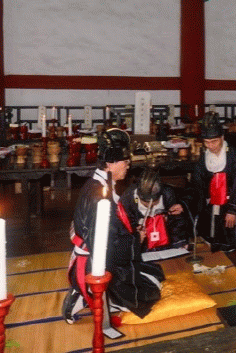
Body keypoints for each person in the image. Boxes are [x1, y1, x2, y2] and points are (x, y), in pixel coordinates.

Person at [62, 128, 165, 329]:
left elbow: (114, 228)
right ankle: (85, 295)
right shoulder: (99, 196)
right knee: (150, 291)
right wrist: (135, 240)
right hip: (96, 263)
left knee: (154, 273)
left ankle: (89, 291)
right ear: (110, 164)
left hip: (101, 255)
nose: (128, 165)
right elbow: (107, 243)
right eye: (125, 161)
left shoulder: (98, 184)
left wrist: (133, 232)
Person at [191, 111, 236, 253]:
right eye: (206, 142)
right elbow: (198, 183)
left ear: (222, 138)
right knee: (209, 238)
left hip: (229, 203)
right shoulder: (203, 157)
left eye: (214, 141)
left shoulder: (235, 155)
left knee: (229, 237)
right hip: (210, 204)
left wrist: (233, 210)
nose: (210, 146)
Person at [120, 167, 191, 252]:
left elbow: (177, 222)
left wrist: (179, 243)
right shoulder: (129, 198)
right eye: (145, 203)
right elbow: (125, 226)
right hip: (142, 246)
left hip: (165, 243)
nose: (150, 206)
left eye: (154, 202)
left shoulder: (167, 194)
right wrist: (136, 234)